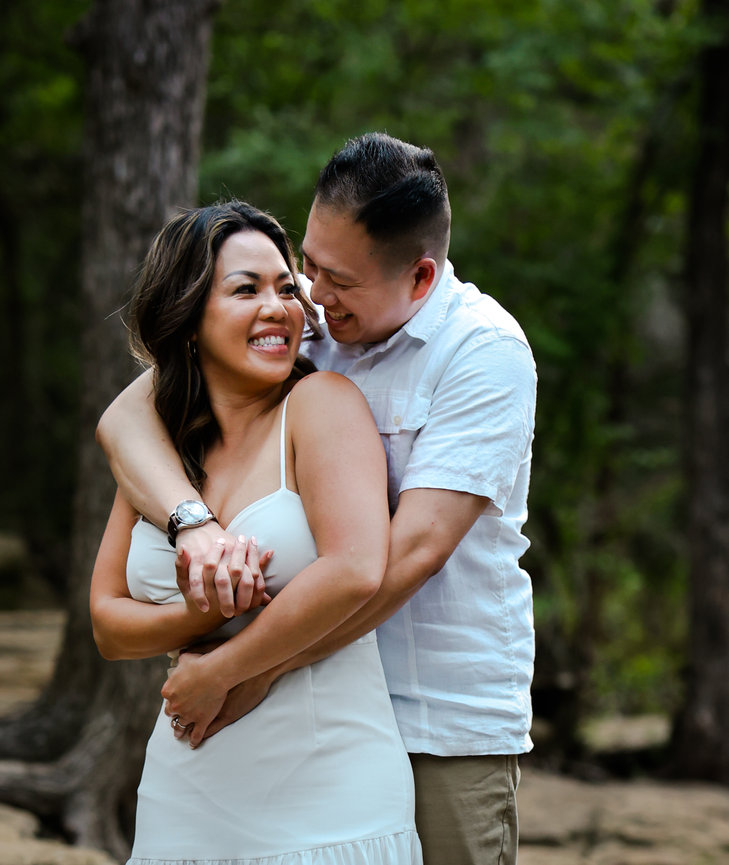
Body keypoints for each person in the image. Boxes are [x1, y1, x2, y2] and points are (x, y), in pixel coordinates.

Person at [98, 133, 538, 865]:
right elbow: (124, 419)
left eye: (337, 278)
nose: (311, 294)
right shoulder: (308, 320)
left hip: (434, 715)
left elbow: (407, 554)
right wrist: (194, 524)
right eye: (308, 262)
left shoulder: (482, 351)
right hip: (289, 713)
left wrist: (246, 666)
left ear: (420, 277)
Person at [89, 200, 423, 865]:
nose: (279, 307)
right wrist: (200, 612)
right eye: (246, 290)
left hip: (326, 790)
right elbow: (106, 622)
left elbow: (356, 565)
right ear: (188, 319)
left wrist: (224, 668)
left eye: (285, 287)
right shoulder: (161, 450)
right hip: (183, 787)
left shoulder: (319, 403)